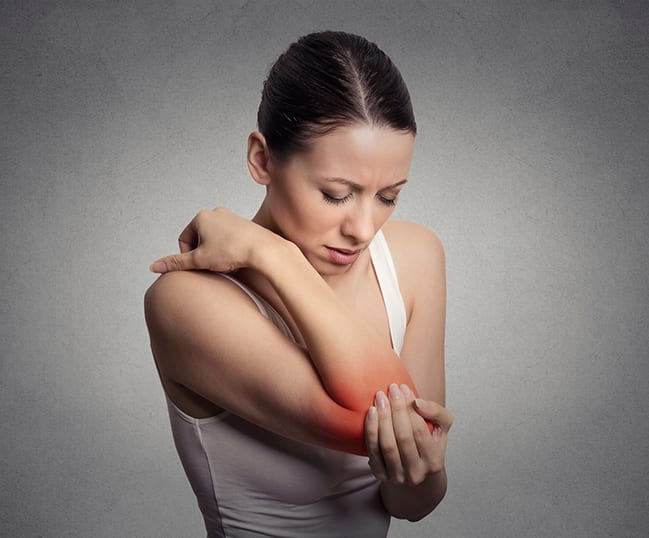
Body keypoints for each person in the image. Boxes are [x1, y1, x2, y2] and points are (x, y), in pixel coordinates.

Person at [145, 31, 452, 538]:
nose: (363, 228)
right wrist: (277, 257)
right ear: (262, 160)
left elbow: (415, 499)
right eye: (336, 195)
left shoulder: (416, 257)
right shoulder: (186, 302)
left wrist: (420, 468)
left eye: (388, 196)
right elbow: (369, 417)